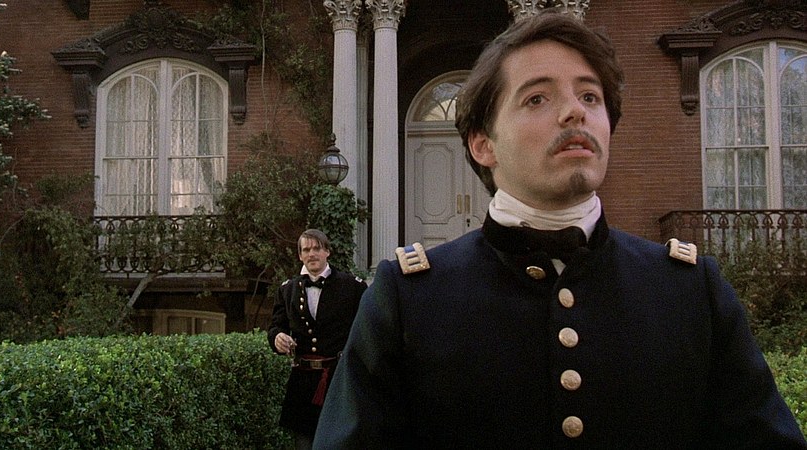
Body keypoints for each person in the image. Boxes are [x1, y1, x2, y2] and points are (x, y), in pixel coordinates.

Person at [313, 12, 807, 449]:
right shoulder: (407, 298)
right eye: (537, 98)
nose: (576, 111)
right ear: (483, 144)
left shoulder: (690, 290)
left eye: (590, 95)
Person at [267, 229, 367, 449]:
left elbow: (364, 330)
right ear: (300, 256)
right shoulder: (287, 290)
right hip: (302, 382)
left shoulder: (352, 287)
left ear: (327, 251)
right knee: (304, 443)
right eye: (306, 250)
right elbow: (275, 327)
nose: (311, 254)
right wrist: (278, 338)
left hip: (338, 379)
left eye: (316, 248)